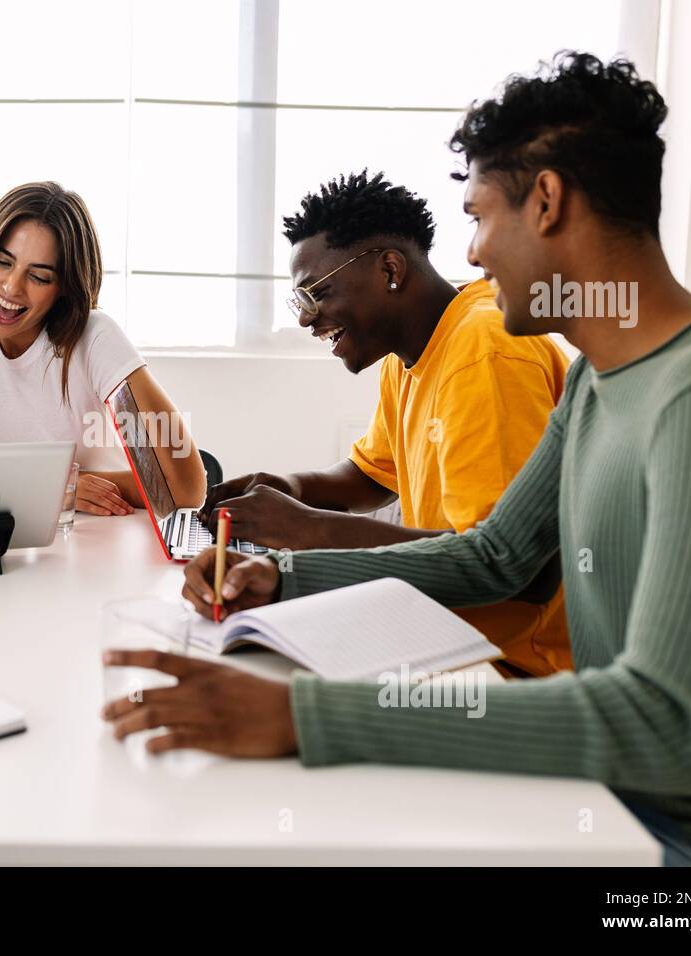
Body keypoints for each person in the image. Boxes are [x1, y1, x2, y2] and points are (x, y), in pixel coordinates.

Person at [104, 53, 691, 867]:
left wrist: (304, 719)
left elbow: (669, 726)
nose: (471, 254)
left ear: (547, 203)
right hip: (604, 804)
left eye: (478, 216)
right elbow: (495, 556)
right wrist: (284, 578)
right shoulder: (600, 387)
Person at [201, 170, 571, 677]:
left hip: (510, 665)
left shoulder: (485, 352)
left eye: (316, 294)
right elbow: (369, 476)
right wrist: (287, 488)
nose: (307, 319)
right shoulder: (411, 353)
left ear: (390, 269)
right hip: (445, 629)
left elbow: (511, 570)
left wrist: (307, 529)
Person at [0, 181, 205, 517]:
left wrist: (69, 485)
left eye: (38, 276)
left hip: (98, 528)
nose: (10, 287)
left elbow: (185, 487)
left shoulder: (95, 337)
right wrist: (45, 484)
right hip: (11, 524)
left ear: (64, 287)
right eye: (2, 262)